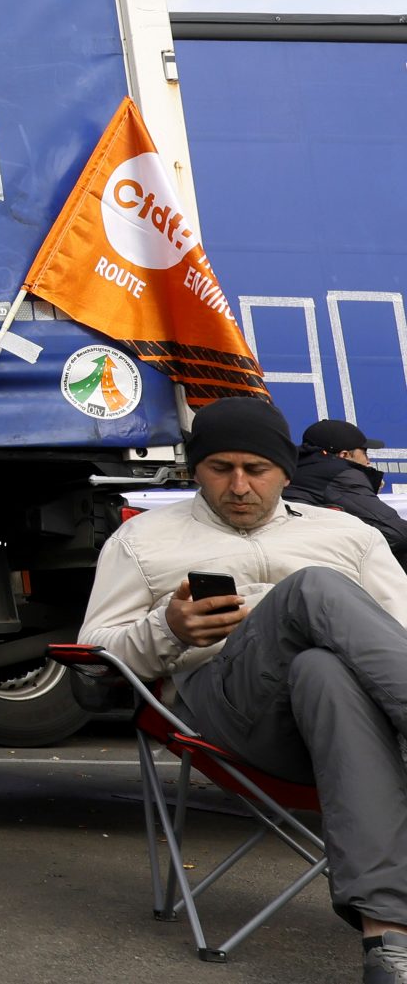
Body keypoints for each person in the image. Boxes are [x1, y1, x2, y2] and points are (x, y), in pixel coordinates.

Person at [79, 396, 407, 983]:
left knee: (322, 670)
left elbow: (399, 631)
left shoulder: (348, 533)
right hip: (228, 712)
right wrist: (168, 630)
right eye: (219, 468)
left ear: (286, 470)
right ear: (194, 469)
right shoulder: (143, 540)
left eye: (256, 469)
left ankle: (389, 942)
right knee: (312, 588)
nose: (238, 486)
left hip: (344, 723)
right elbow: (94, 656)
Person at [287, 419, 406, 566]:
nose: (368, 461)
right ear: (344, 455)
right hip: (326, 565)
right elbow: (397, 533)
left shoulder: (294, 471)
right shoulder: (342, 475)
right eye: (364, 453)